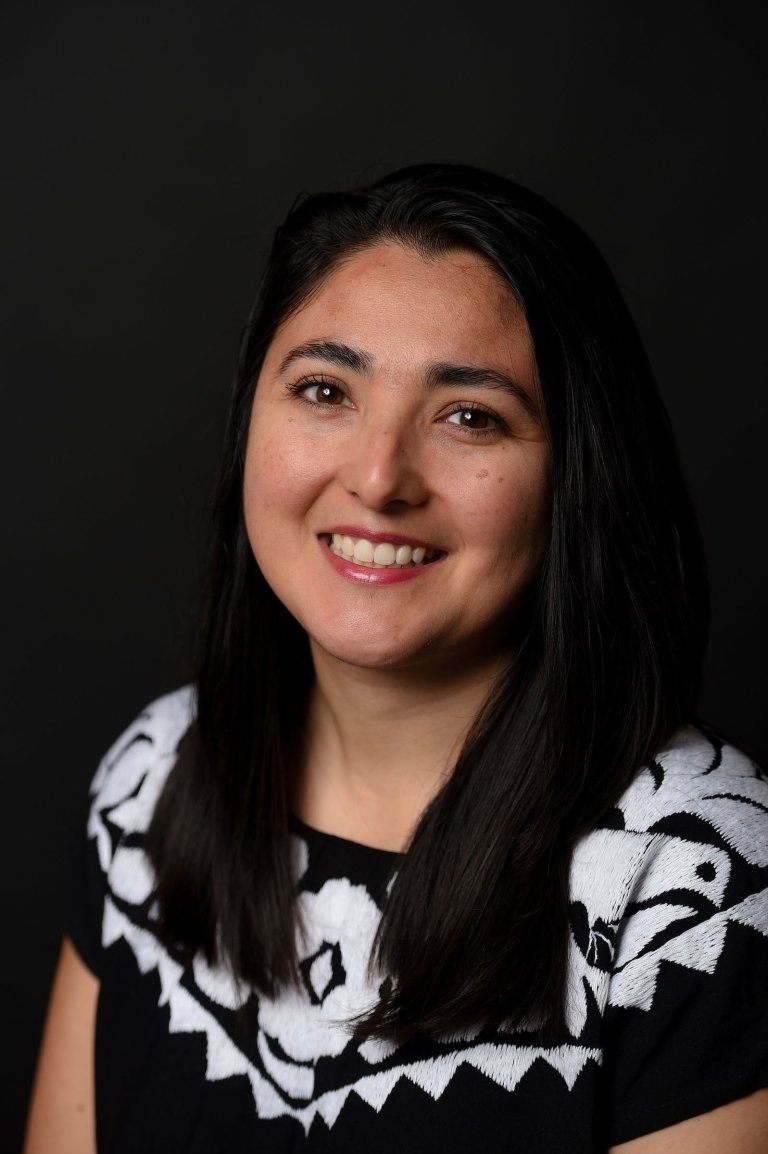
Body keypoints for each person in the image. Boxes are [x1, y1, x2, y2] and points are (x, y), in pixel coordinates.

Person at [25, 163, 768, 1153]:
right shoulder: (153, 780)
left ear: (578, 475)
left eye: (471, 415)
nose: (378, 477)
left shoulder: (698, 881)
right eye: (326, 389)